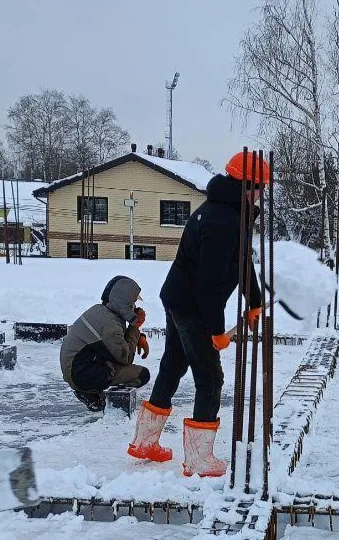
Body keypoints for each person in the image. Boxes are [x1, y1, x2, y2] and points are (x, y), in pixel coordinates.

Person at [128, 150, 264, 477]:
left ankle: (145, 443)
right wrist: (217, 330)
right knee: (210, 377)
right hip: (192, 306)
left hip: (180, 298)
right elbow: (209, 285)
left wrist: (254, 300)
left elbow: (242, 262)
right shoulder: (224, 221)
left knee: (174, 365)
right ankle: (200, 460)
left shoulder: (227, 212)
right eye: (259, 187)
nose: (262, 194)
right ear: (247, 186)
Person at [60, 276, 151, 412]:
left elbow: (118, 342)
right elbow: (125, 357)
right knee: (142, 374)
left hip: (79, 368)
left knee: (117, 364)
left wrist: (139, 337)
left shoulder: (102, 312)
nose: (135, 307)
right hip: (81, 373)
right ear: (124, 303)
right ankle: (95, 395)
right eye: (133, 303)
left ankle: (90, 391)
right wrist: (135, 327)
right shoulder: (109, 324)